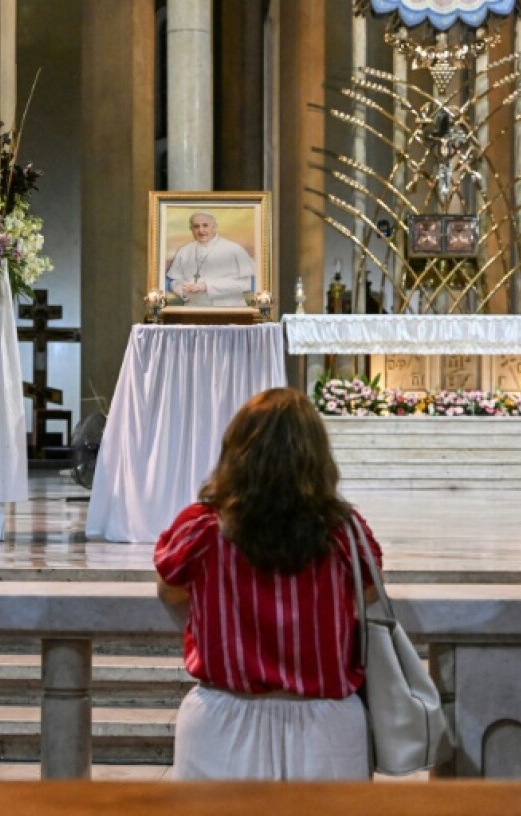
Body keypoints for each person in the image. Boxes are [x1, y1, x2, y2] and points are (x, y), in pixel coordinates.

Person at [155, 387, 382, 780]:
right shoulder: (344, 531)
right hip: (325, 725)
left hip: (223, 718)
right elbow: (368, 592)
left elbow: (170, 589)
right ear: (315, 455)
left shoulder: (203, 528)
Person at [166, 211, 255, 307]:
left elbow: (246, 284)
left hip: (229, 308)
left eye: (205, 225)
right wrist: (184, 291)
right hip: (194, 310)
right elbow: (175, 281)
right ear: (191, 229)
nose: (201, 230)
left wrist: (207, 286)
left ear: (214, 226)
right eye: (196, 226)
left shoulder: (234, 249)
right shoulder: (184, 251)